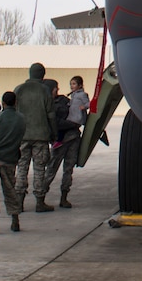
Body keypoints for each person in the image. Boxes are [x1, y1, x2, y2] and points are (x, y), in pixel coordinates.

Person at [12, 64, 56, 212]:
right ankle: (39, 201)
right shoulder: (45, 90)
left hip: (22, 136)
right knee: (39, 169)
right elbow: (51, 114)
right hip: (41, 136)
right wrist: (54, 133)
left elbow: (12, 112)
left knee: (21, 169)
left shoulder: (19, 89)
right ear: (42, 75)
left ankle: (19, 202)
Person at [0, 90, 26, 234]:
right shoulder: (21, 119)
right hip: (10, 158)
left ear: (3, 103)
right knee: (10, 189)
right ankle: (15, 220)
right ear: (15, 102)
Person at [48, 81, 81, 209]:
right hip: (62, 139)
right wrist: (73, 124)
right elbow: (57, 123)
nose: (57, 90)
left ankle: (64, 197)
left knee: (67, 169)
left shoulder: (63, 101)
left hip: (69, 138)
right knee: (52, 169)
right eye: (54, 89)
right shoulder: (49, 104)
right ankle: (42, 196)